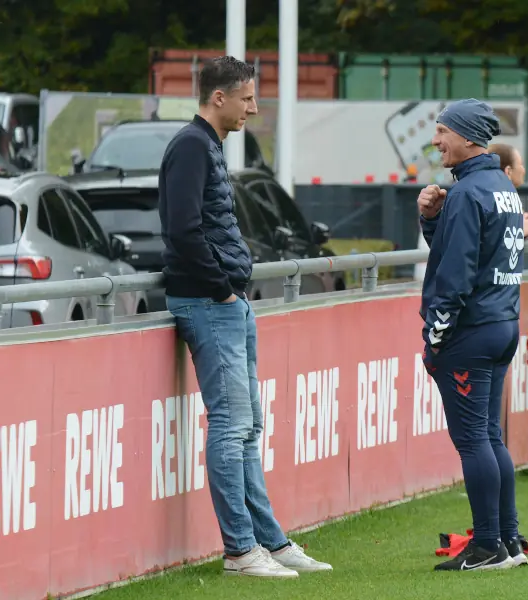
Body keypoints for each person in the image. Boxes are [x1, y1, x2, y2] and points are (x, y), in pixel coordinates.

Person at [158, 56, 331, 578]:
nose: (253, 109)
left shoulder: (203, 145)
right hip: (212, 304)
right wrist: (221, 290)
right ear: (219, 98)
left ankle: (270, 542)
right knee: (232, 429)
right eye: (247, 99)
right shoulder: (191, 146)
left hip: (227, 301)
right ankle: (239, 550)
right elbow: (183, 230)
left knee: (248, 426)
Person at [416, 99, 525, 571]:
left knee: (473, 440)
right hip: (502, 324)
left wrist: (435, 337)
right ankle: (509, 539)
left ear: (467, 136)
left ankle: (486, 547)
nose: (436, 140)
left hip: (472, 330)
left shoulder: (467, 192)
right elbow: (467, 252)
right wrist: (432, 220)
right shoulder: (501, 184)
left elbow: (455, 273)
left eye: (442, 131)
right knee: (490, 436)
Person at [488, 142, 528, 237]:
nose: (524, 171)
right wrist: (519, 231)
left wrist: (521, 232)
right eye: (521, 164)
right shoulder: (489, 201)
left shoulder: (505, 199)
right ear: (508, 171)